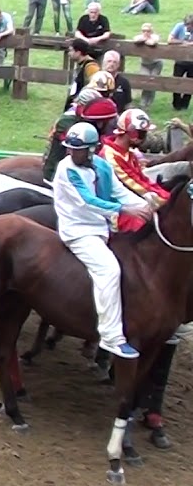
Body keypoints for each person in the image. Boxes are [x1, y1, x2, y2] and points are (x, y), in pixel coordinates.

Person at [52, 122, 151, 360]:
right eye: (69, 148)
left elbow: (118, 191)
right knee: (109, 270)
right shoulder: (66, 170)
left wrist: (146, 203)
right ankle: (111, 337)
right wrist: (125, 209)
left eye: (77, 150)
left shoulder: (102, 166)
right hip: (78, 231)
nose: (70, 153)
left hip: (102, 228)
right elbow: (87, 200)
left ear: (92, 149)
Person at [100, 109, 169, 208]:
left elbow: (142, 178)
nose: (145, 138)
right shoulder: (110, 155)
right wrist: (162, 198)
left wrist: (163, 194)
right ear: (133, 134)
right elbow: (132, 183)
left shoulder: (128, 153)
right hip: (115, 205)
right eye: (142, 134)